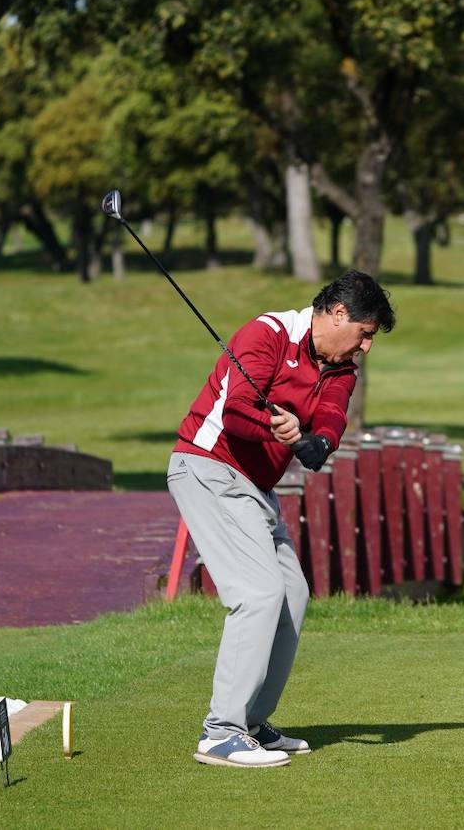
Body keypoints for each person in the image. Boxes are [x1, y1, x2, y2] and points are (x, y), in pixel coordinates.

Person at [166, 269, 396, 768]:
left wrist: (320, 442)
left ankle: (250, 722)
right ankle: (221, 731)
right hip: (208, 467)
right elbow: (235, 416)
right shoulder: (265, 333)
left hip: (254, 489)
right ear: (339, 314)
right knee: (258, 593)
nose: (366, 346)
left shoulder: (339, 366)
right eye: (365, 333)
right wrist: (285, 434)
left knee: (292, 593)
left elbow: (333, 414)